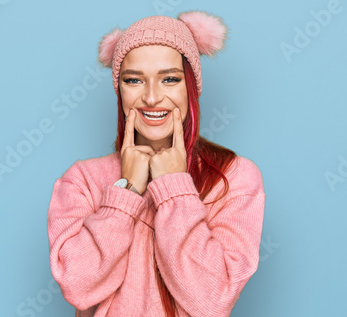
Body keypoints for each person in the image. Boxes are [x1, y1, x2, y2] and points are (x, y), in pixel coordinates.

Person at [47, 10, 265, 317]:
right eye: (134, 79)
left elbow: (211, 301)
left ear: (190, 88)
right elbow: (78, 288)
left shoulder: (233, 178)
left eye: (170, 79)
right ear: (119, 90)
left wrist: (174, 187)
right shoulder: (82, 180)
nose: (151, 97)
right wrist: (127, 191)